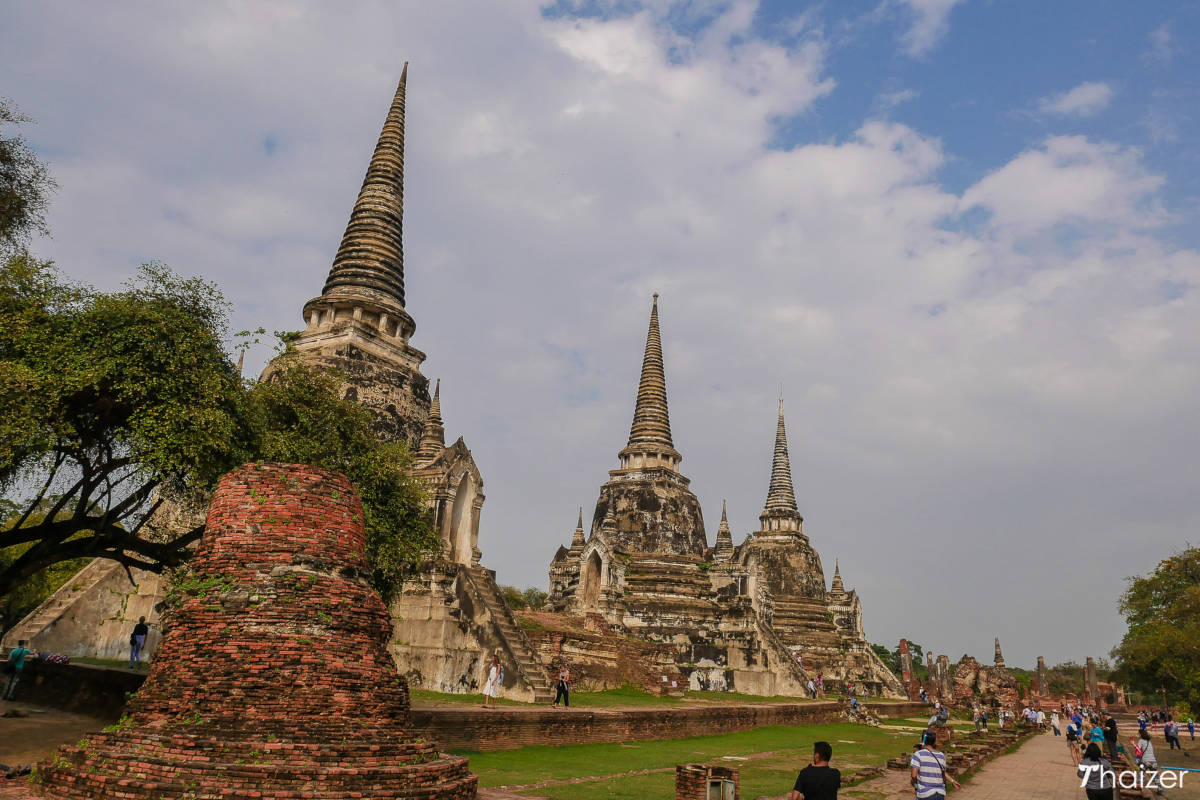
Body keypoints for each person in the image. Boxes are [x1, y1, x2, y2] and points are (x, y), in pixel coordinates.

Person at [910, 729, 960, 799]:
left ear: (923, 740)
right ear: (934, 741)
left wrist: (914, 782)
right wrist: (952, 781)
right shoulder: (941, 755)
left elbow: (914, 775)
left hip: (926, 793)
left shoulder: (918, 754)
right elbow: (943, 772)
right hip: (940, 793)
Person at [1135, 728, 1165, 797]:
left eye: (1138, 733)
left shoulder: (1141, 741)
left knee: (1141, 773)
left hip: (1145, 761)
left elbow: (1138, 750)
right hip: (1153, 761)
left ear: (1140, 734)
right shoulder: (1149, 741)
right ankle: (1160, 790)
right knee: (1155, 776)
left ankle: (1142, 787)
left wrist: (1133, 744)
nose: (1138, 735)